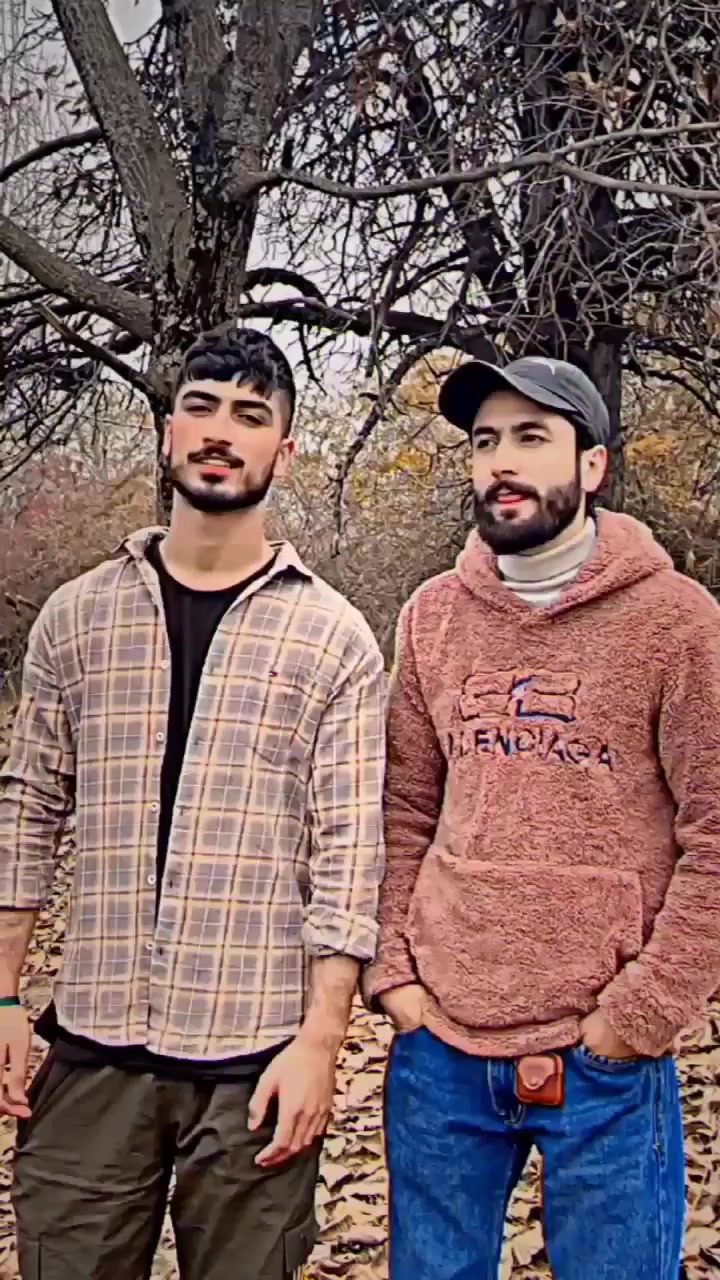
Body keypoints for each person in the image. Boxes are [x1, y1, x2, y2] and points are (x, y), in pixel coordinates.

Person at [0, 325, 386, 1280]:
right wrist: (3, 995)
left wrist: (321, 1044)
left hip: (255, 1056)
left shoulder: (333, 638)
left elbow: (349, 853)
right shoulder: (78, 617)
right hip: (92, 1047)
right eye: (201, 408)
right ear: (168, 430)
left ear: (283, 451)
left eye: (250, 416)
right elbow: (26, 811)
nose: (221, 432)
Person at [364, 355, 720, 1280]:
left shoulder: (677, 623)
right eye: (485, 441)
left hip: (607, 1057)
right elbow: (405, 808)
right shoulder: (432, 616)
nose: (503, 462)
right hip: (442, 1048)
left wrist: (642, 1012)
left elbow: (716, 836)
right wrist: (397, 976)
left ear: (593, 465)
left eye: (532, 437)